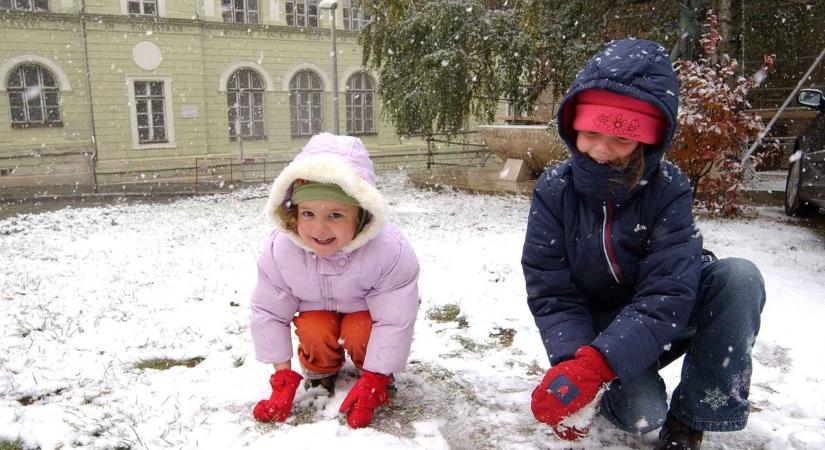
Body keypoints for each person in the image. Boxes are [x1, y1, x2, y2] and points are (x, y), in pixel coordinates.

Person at [522, 38, 766, 450]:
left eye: (620, 138)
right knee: (640, 416)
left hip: (668, 316)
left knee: (739, 278)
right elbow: (551, 290)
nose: (601, 149)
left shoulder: (668, 189)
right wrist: (578, 366)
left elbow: (669, 289)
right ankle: (618, 387)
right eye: (592, 131)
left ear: (647, 140)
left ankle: (691, 417)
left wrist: (601, 364)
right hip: (599, 333)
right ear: (574, 122)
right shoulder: (554, 190)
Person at [249, 133, 419, 429]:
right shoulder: (281, 251)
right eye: (308, 213)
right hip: (317, 314)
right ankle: (321, 370)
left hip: (362, 314)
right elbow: (269, 311)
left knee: (360, 329)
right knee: (315, 327)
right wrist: (281, 380)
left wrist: (375, 379)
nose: (319, 228)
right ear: (293, 212)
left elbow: (394, 319)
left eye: (336, 215)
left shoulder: (387, 250)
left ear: (361, 216)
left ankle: (374, 372)